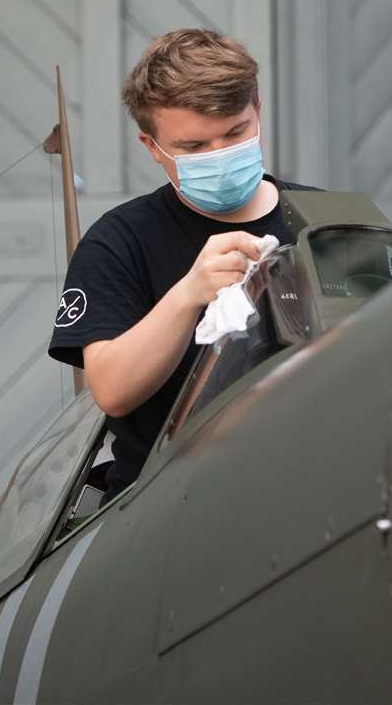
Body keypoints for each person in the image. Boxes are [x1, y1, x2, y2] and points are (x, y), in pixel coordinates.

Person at [48, 29, 313, 497]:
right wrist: (188, 294)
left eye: (235, 132)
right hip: (171, 507)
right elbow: (110, 389)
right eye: (193, 147)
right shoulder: (120, 241)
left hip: (309, 484)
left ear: (257, 108)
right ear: (152, 146)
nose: (220, 155)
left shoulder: (327, 222)